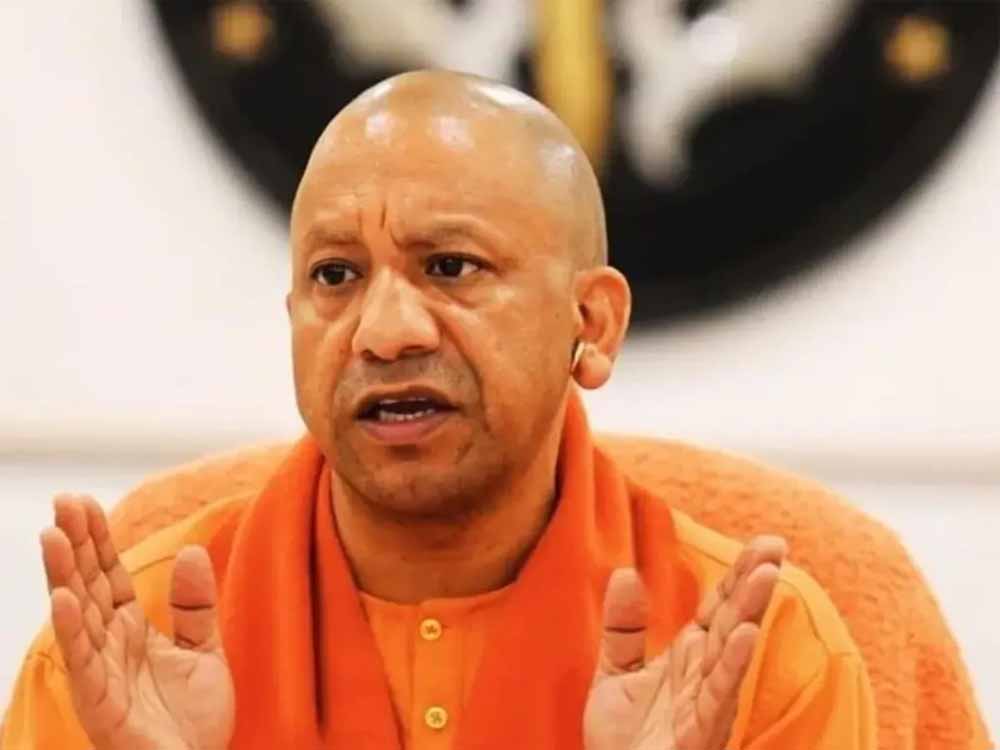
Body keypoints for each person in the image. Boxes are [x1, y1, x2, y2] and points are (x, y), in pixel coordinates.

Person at [3, 71, 876, 750]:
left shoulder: (758, 654)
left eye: (450, 267)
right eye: (336, 276)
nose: (383, 333)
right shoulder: (124, 653)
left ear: (591, 322)